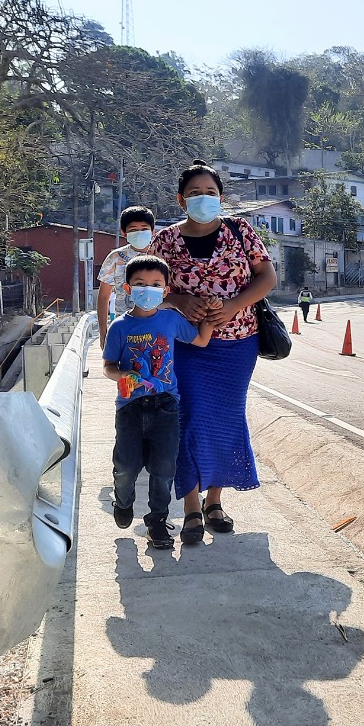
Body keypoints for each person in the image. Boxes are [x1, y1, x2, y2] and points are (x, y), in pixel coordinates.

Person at [150, 160, 277, 545]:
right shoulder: (166, 241)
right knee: (187, 418)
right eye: (194, 193)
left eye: (210, 193)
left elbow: (267, 277)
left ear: (221, 197)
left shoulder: (241, 231)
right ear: (180, 199)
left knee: (224, 417)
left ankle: (215, 502)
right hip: (184, 345)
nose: (203, 199)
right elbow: (146, 286)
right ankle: (190, 506)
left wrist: (236, 304)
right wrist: (177, 299)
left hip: (238, 344)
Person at [103, 254, 215, 549]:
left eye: (155, 284)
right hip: (130, 408)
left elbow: (200, 340)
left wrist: (213, 317)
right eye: (140, 284)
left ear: (166, 290)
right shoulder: (119, 328)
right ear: (128, 289)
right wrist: (122, 375)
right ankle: (123, 500)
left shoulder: (171, 319)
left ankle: (157, 522)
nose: (148, 289)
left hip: (166, 405)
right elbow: (108, 366)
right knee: (125, 466)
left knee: (164, 469)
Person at [97, 205, 158, 348]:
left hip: (158, 328)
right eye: (133, 230)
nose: (139, 232)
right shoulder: (115, 257)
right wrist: (103, 333)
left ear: (153, 230)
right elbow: (103, 297)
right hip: (125, 327)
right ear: (124, 233)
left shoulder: (163, 254)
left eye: (144, 228)